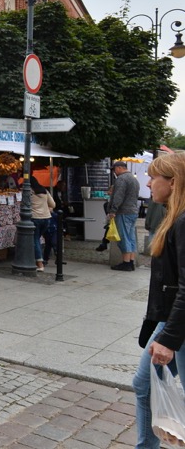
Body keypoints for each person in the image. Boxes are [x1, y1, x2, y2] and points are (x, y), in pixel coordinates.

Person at [132, 152, 185, 447]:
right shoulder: (173, 217)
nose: (149, 183)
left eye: (154, 177)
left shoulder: (182, 221)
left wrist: (168, 338)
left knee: (145, 386)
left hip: (178, 325)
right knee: (143, 386)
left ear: (173, 182)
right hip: (172, 321)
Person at [109, 160, 140, 271]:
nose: (114, 172)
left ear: (119, 168)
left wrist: (113, 210)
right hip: (132, 211)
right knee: (131, 237)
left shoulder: (122, 179)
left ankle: (126, 262)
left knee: (124, 237)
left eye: (114, 169)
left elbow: (118, 196)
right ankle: (131, 261)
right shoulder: (133, 179)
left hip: (123, 212)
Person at [30, 178, 56, 272]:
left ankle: (40, 264)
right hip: (46, 219)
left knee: (35, 240)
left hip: (35, 218)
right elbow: (53, 204)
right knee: (36, 239)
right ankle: (37, 258)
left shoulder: (29, 191)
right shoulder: (44, 190)